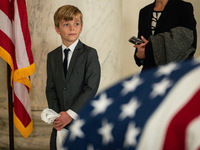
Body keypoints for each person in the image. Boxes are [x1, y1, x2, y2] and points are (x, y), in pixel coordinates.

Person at [45, 5, 101, 150]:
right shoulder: (52, 56)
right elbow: (50, 89)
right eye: (66, 24)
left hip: (81, 120)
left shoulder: (89, 54)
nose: (72, 28)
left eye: (76, 24)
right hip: (59, 124)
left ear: (81, 27)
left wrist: (70, 114)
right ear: (57, 29)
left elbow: (91, 88)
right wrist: (57, 116)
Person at [134, 0, 197, 71]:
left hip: (176, 72)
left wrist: (149, 50)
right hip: (150, 73)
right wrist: (138, 56)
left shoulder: (184, 7)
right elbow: (140, 46)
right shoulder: (144, 12)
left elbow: (188, 41)